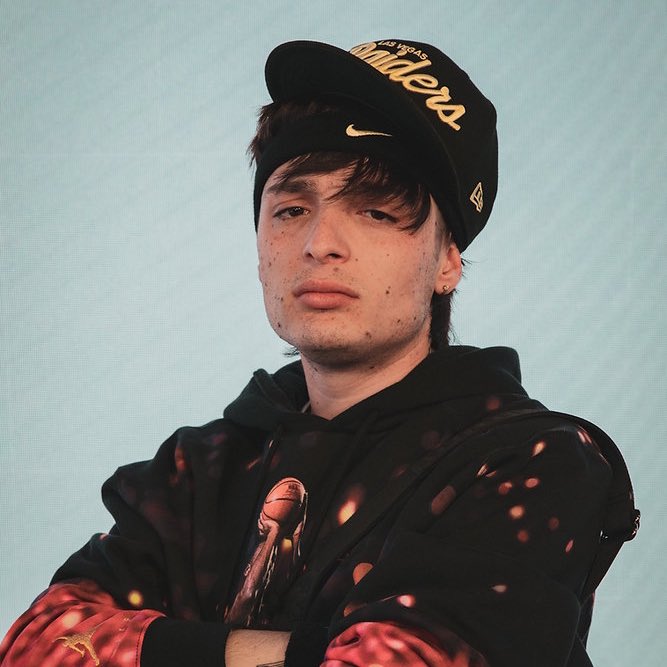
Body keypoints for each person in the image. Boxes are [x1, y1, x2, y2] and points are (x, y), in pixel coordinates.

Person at [0, 38, 639, 667]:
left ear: (448, 261)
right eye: (291, 209)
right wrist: (303, 652)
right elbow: (35, 646)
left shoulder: (527, 462)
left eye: (376, 212)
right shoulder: (202, 469)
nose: (320, 242)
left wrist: (158, 648)